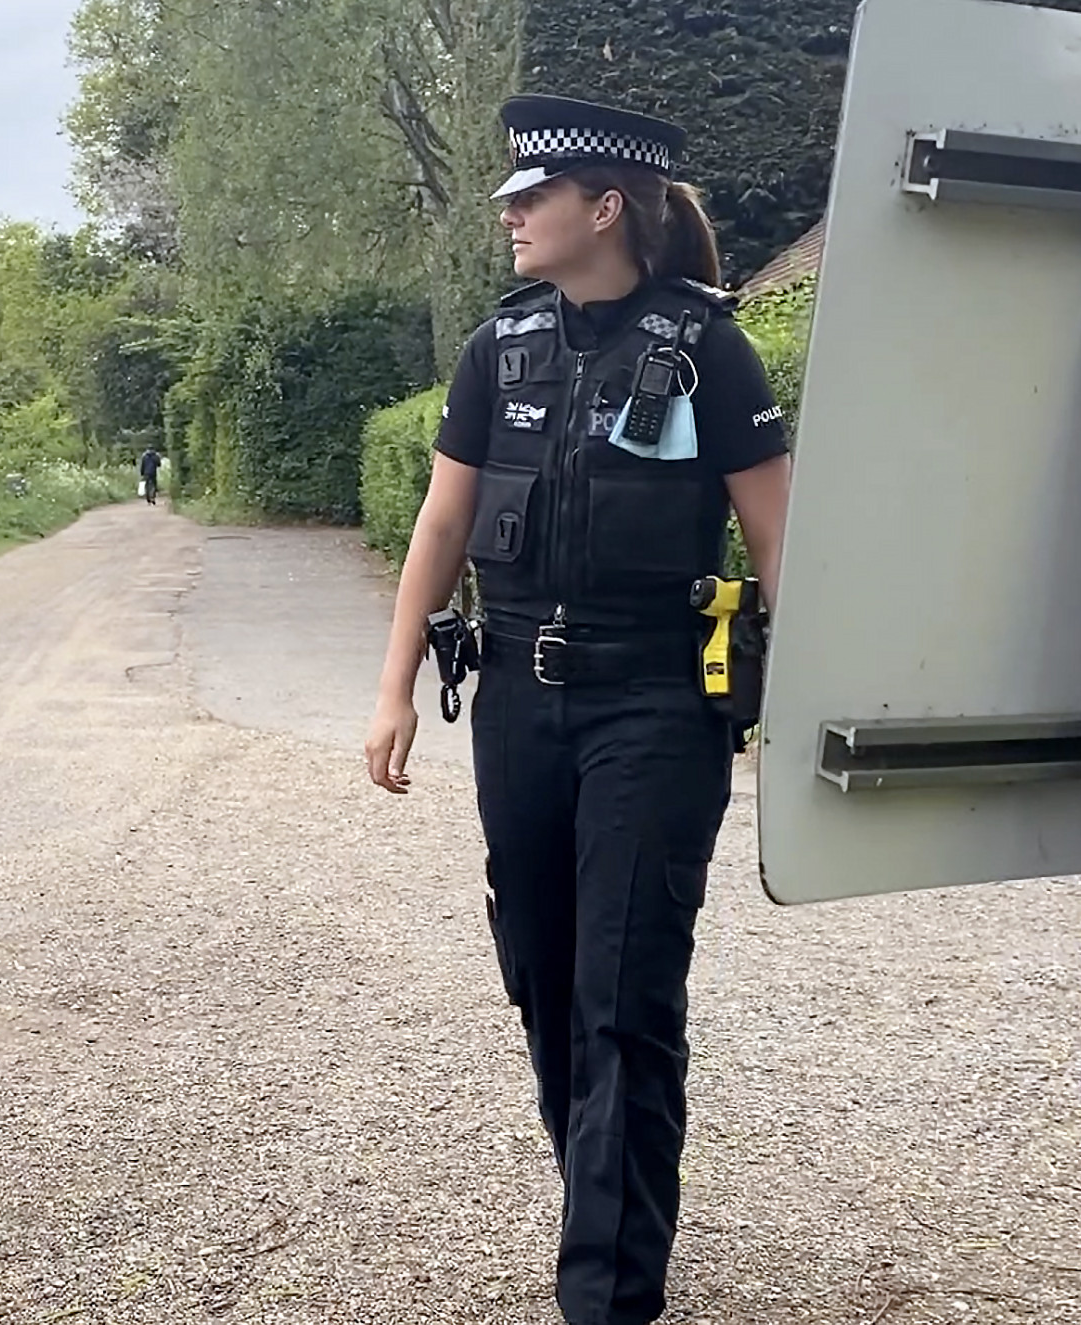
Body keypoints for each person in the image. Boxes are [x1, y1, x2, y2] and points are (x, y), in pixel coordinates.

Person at [363, 95, 793, 1325]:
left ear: (605, 207)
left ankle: (606, 1290)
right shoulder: (497, 348)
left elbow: (778, 540)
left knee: (624, 989)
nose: (507, 212)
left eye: (530, 195)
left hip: (655, 701)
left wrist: (802, 703)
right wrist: (394, 683)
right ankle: (608, 1196)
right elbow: (441, 522)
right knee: (545, 975)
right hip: (516, 703)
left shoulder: (707, 350)